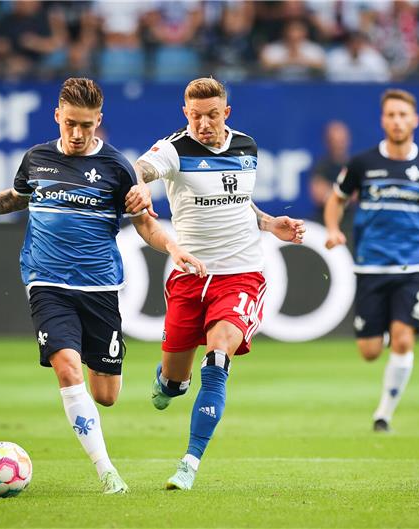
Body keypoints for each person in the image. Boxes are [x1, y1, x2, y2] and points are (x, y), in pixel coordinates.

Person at [0, 77, 205, 494]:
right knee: (66, 367)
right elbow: (15, 198)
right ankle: (107, 471)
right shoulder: (37, 158)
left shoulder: (118, 168)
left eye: (87, 125)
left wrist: (173, 248)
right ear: (58, 115)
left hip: (99, 289)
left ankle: (126, 397)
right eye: (70, 123)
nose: (77, 134)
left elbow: (145, 223)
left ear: (99, 121)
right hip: (46, 282)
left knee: (107, 394)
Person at [126, 77, 305, 490]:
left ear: (226, 112)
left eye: (211, 115)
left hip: (241, 274)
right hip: (190, 278)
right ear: (185, 114)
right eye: (195, 116)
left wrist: (269, 222)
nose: (203, 124)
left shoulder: (247, 148)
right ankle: (171, 381)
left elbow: (242, 203)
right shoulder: (174, 149)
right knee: (173, 383)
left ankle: (189, 463)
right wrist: (137, 187)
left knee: (218, 357)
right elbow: (140, 168)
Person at [323, 88, 419, 433]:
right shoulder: (362, 164)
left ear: (415, 120)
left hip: (412, 264)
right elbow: (335, 200)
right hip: (370, 265)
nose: (397, 120)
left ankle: (383, 414)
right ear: (383, 120)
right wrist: (332, 228)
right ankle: (386, 330)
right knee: (370, 351)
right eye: (391, 115)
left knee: (403, 339)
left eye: (403, 115)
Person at [309, 120, 351, 222]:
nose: (339, 145)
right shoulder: (321, 166)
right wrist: (346, 193)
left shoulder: (354, 166)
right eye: (335, 141)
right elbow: (318, 195)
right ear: (328, 142)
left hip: (350, 222)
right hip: (323, 222)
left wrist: (332, 192)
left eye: (342, 140)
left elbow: (360, 193)